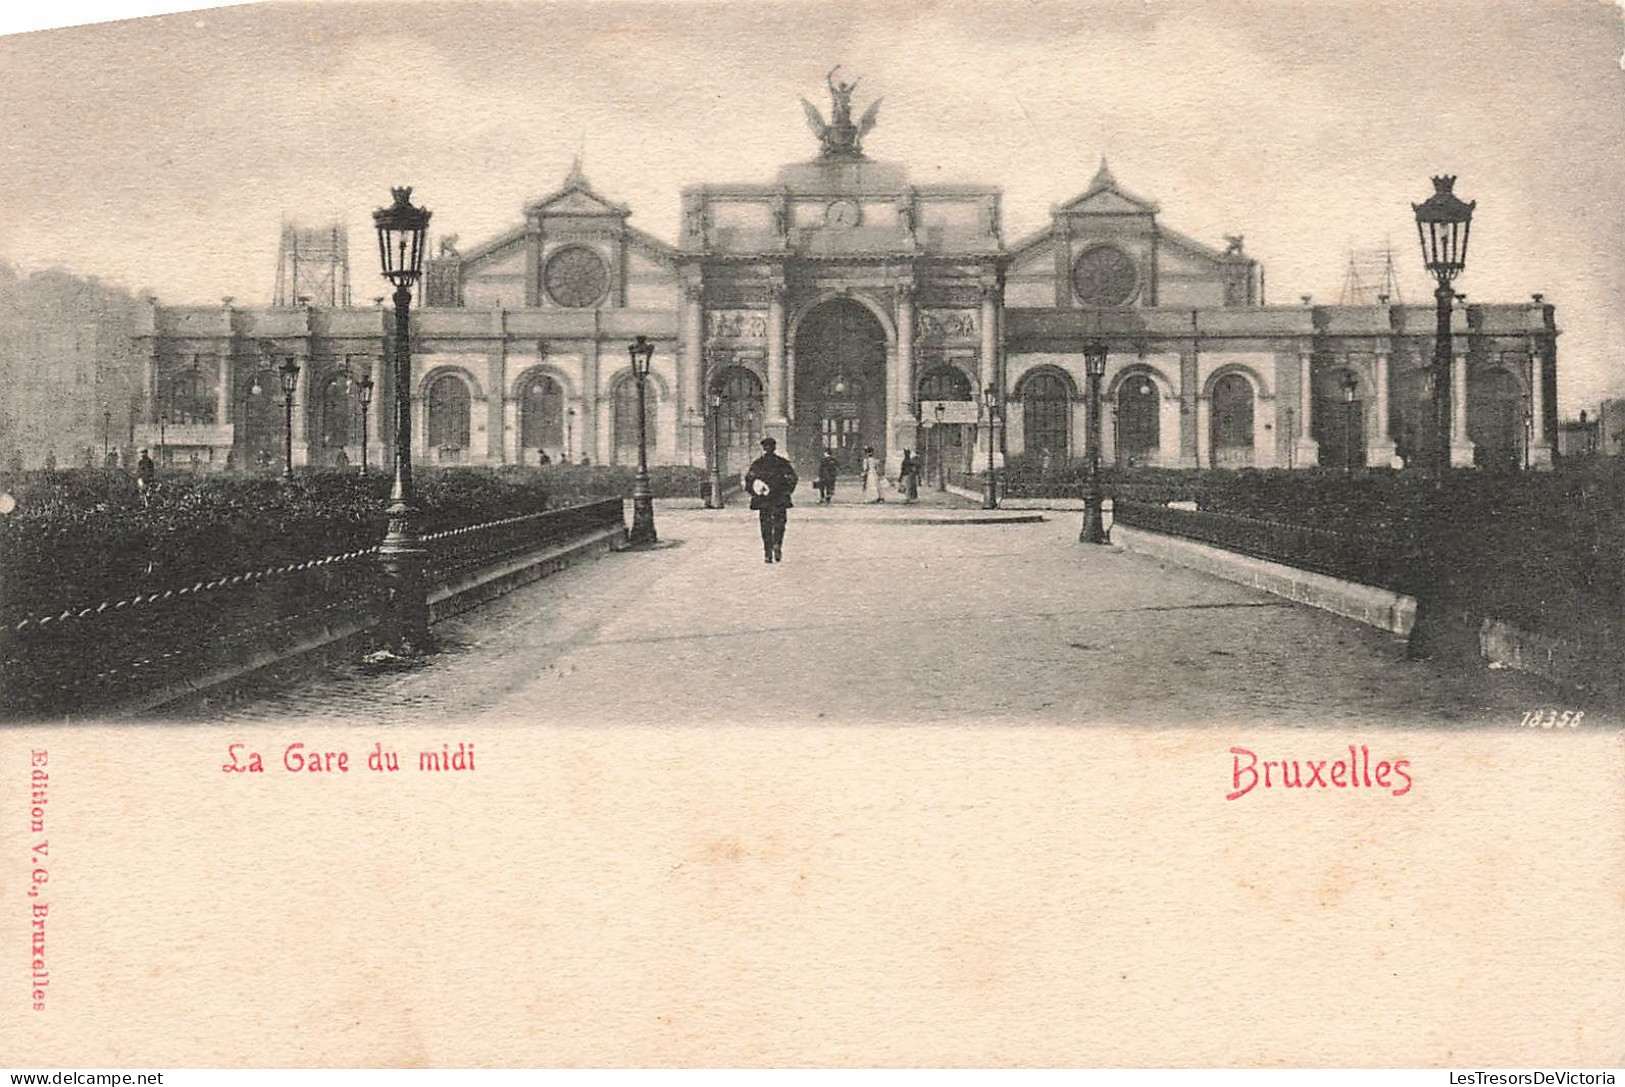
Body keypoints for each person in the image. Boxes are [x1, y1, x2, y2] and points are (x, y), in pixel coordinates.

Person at [743, 436, 798, 563]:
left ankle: (767, 551)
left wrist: (755, 493)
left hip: (764, 500)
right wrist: (787, 491)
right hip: (780, 499)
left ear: (763, 448)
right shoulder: (783, 462)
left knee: (765, 525)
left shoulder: (758, 464)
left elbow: (749, 480)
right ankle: (777, 544)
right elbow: (793, 478)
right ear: (774, 448)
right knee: (780, 524)